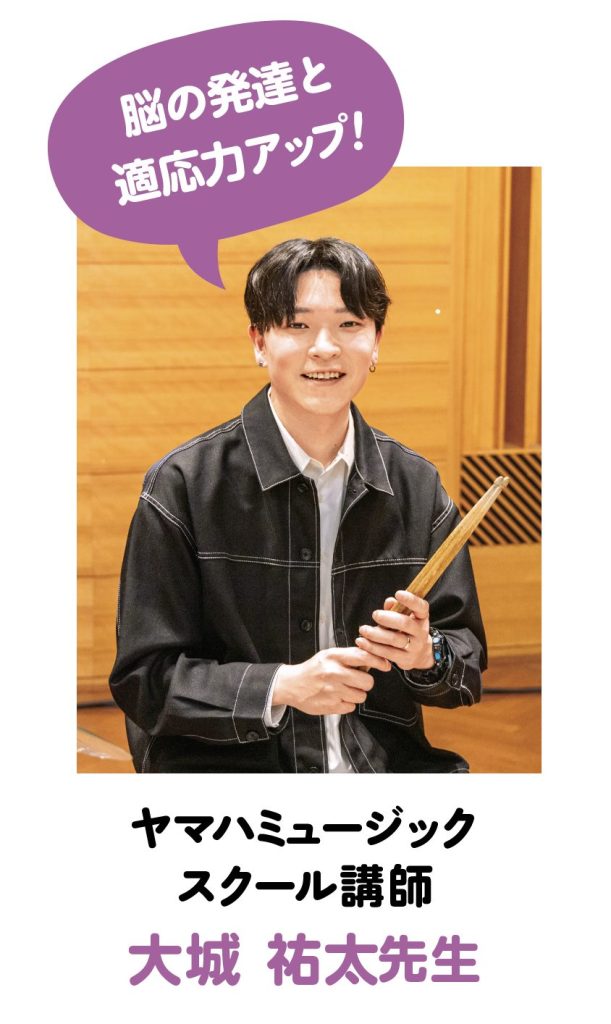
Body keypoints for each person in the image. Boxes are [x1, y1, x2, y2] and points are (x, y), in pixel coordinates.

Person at [109, 237, 486, 773]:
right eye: (298, 324)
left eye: (349, 324)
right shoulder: (183, 486)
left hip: (379, 771)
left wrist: (427, 654)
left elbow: (465, 667)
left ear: (376, 341)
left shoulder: (417, 485)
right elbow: (144, 680)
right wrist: (282, 686)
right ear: (259, 342)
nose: (325, 347)